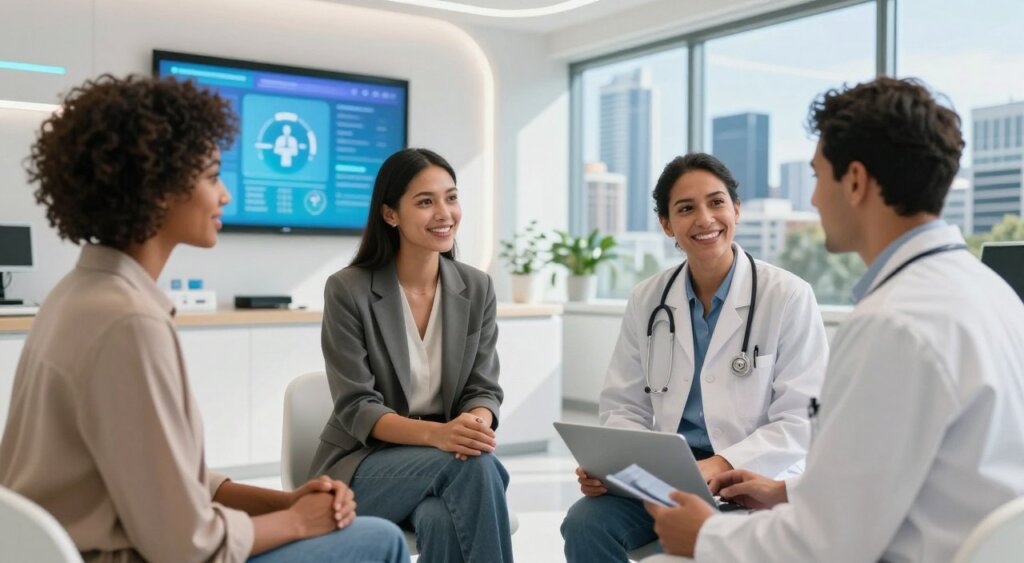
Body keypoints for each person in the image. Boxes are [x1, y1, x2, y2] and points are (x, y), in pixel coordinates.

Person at [0, 75, 408, 563]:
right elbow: (188, 546)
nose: (225, 196)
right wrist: (297, 521)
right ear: (157, 189)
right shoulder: (129, 324)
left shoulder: (76, 295)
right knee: (380, 538)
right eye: (213, 176)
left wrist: (280, 502)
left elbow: (158, 476)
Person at [642, 77, 1024, 563]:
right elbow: (909, 477)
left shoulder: (893, 325)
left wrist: (704, 537)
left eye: (818, 177)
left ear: (857, 182)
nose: (816, 199)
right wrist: (788, 491)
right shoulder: (992, 293)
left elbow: (824, 545)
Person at [560, 152, 829, 561]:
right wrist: (614, 467)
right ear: (667, 224)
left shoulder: (788, 296)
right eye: (686, 208)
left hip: (752, 477)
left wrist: (721, 464)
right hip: (665, 477)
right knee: (584, 523)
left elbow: (800, 420)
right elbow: (623, 407)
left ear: (736, 210)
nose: (704, 219)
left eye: (716, 202)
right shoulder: (648, 299)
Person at [310, 147, 514, 563]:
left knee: (443, 517)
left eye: (451, 197)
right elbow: (358, 408)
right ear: (390, 215)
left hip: (447, 460)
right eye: (426, 201)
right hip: (363, 466)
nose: (445, 213)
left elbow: (483, 387)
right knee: (472, 468)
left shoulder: (476, 288)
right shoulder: (348, 290)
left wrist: (470, 428)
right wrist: (441, 436)